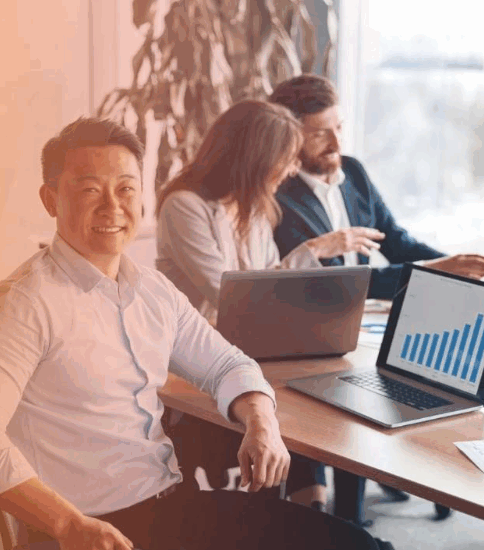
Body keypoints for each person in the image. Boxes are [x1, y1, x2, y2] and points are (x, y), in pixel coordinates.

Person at [0, 116, 393, 550]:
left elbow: (227, 364)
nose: (112, 206)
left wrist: (261, 423)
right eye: (90, 190)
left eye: (126, 189)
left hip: (169, 505)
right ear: (51, 199)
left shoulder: (151, 290)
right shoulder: (19, 305)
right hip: (92, 533)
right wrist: (67, 525)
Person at [269, 74, 484, 523]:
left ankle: (398, 471)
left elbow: (395, 241)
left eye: (339, 126)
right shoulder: (279, 197)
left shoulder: (352, 171)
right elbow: (350, 282)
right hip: (316, 328)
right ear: (289, 135)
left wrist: (458, 266)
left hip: (368, 328)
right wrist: (436, 274)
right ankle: (342, 517)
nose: (335, 140)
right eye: (320, 132)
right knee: (351, 380)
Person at [155, 100, 391, 515]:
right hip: (196, 362)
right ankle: (302, 518)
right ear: (254, 157)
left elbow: (267, 283)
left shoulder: (256, 207)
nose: (288, 170)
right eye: (285, 159)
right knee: (296, 406)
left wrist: (310, 257)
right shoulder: (185, 206)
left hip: (248, 347)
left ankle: (321, 515)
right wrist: (314, 250)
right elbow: (229, 292)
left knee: (334, 388)